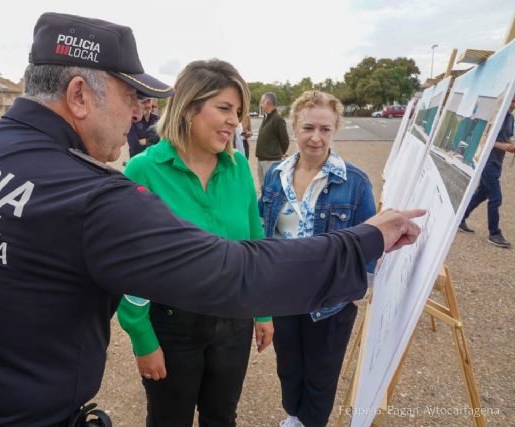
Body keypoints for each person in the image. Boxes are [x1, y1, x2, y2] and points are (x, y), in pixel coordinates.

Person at [0, 12, 423, 427]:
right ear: (78, 95)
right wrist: (365, 240)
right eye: (130, 97)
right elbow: (236, 271)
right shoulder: (89, 195)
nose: (139, 114)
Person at [117, 59, 273, 427]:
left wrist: (263, 310)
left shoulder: (237, 169)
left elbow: (255, 243)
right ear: (189, 107)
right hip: (172, 327)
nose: (235, 120)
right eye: (224, 108)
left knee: (222, 417)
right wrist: (142, 338)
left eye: (238, 111)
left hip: (234, 321)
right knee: (169, 419)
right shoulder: (142, 170)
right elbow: (127, 263)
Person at [260, 91, 376, 427]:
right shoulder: (275, 175)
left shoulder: (354, 182)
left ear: (335, 129)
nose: (316, 137)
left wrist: (360, 286)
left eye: (325, 129)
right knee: (289, 365)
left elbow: (370, 237)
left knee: (321, 372)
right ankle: (295, 416)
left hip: (330, 299)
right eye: (308, 127)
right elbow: (264, 225)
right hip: (284, 294)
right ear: (294, 127)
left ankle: (311, 422)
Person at [459, 96, 515, 248]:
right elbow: (484, 140)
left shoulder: (511, 119)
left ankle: (460, 219)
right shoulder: (495, 117)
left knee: (482, 194)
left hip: (497, 162)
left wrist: (511, 145)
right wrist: (502, 146)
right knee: (496, 198)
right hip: (487, 162)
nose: (513, 105)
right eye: (511, 101)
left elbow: (508, 138)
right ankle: (495, 233)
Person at [256, 92, 289, 186]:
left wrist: (277, 154)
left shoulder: (278, 119)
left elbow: (285, 141)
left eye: (261, 102)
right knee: (263, 188)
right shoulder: (266, 117)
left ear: (267, 102)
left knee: (271, 189)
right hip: (261, 160)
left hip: (271, 161)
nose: (260, 105)